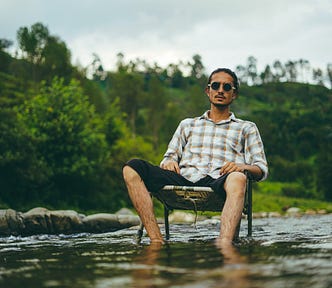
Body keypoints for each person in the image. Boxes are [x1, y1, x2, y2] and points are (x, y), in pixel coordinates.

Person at [123, 68, 268, 245]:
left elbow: (261, 168)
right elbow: (169, 156)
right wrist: (169, 161)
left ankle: (224, 244)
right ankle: (156, 240)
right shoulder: (187, 125)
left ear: (234, 94)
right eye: (216, 86)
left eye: (227, 87)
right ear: (208, 91)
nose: (220, 90)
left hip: (219, 181)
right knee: (132, 167)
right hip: (183, 178)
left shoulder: (246, 128)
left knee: (238, 177)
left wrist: (242, 167)